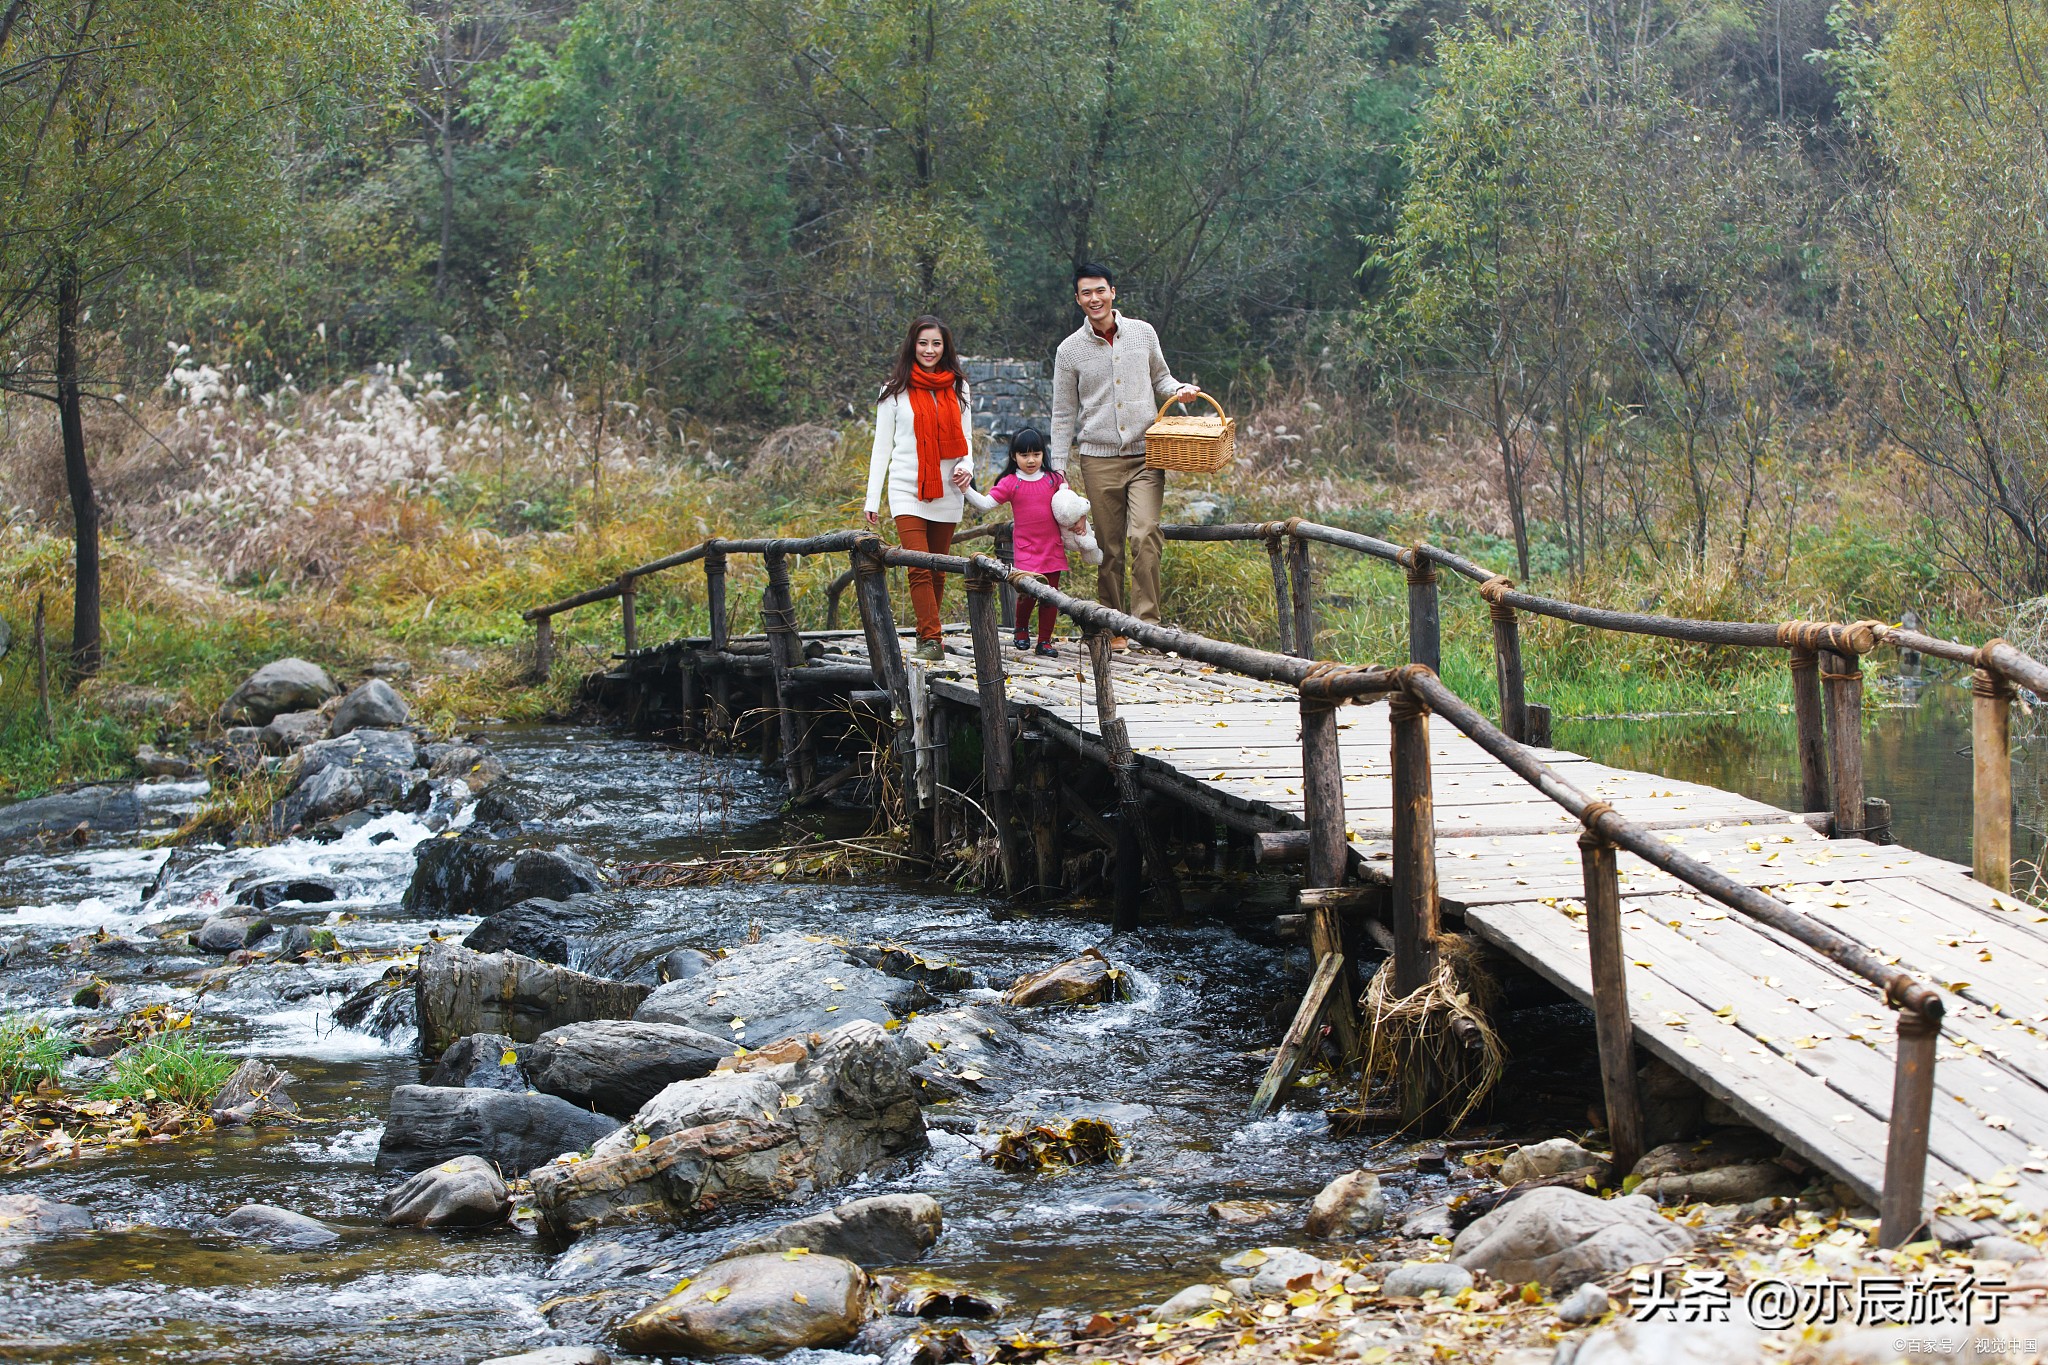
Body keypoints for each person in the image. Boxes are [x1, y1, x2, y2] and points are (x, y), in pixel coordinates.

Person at [1049, 261, 1199, 650]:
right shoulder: (1069, 350)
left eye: (1100, 290)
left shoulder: (1142, 333)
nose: (1094, 298)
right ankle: (1114, 626)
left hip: (1146, 456)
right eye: (1086, 293)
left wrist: (1179, 389)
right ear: (1078, 299)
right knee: (1109, 547)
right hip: (1097, 460)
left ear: (1113, 292)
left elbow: (1160, 377)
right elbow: (1063, 414)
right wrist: (1058, 470)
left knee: (1145, 533)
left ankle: (1147, 626)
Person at [864, 314, 976, 661]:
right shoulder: (893, 390)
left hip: (948, 488)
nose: (929, 350)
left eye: (936, 343)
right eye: (923, 343)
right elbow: (882, 447)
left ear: (945, 347)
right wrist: (872, 498)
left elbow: (967, 439)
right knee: (918, 565)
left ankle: (928, 632)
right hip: (906, 488)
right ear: (912, 345)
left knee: (938, 568)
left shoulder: (958, 387)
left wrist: (967, 467)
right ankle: (931, 640)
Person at [962, 428, 1085, 657]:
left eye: (1036, 454)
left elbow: (1071, 504)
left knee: (1051, 596)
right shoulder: (1011, 482)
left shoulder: (1054, 480)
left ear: (1043, 454)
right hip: (1026, 549)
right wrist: (965, 489)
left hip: (1052, 547)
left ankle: (1045, 641)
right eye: (1024, 455)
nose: (1031, 460)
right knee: (1027, 593)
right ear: (1013, 456)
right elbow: (987, 504)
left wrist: (1081, 518)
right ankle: (1021, 629)